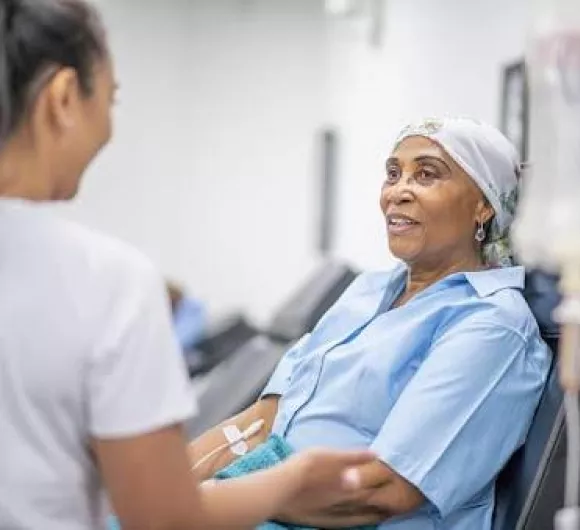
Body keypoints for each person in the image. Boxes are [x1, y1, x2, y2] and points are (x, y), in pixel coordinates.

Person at [0, 1, 373, 529]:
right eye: (110, 99)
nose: (108, 124)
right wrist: (292, 478)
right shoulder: (108, 283)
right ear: (62, 100)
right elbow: (164, 520)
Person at [191, 117, 553, 530]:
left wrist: (219, 500)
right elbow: (260, 423)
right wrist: (157, 491)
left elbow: (381, 491)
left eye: (427, 174)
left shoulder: (492, 326)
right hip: (272, 505)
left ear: (483, 205)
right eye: (393, 173)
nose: (399, 192)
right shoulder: (367, 291)